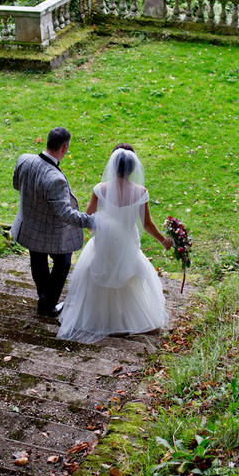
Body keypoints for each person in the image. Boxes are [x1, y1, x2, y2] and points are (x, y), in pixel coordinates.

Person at [57, 144, 172, 343]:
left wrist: (104, 228)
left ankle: (99, 318)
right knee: (127, 276)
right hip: (128, 243)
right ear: (133, 168)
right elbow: (146, 224)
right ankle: (127, 319)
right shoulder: (140, 192)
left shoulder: (100, 189)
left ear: (113, 165)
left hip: (103, 243)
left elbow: (89, 218)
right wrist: (163, 241)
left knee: (98, 276)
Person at [11, 127, 95, 319]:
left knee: (38, 261)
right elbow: (65, 213)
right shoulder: (55, 179)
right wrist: (91, 221)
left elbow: (17, 185)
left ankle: (44, 298)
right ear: (64, 148)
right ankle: (47, 305)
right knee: (63, 262)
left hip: (30, 226)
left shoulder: (24, 159)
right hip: (52, 232)